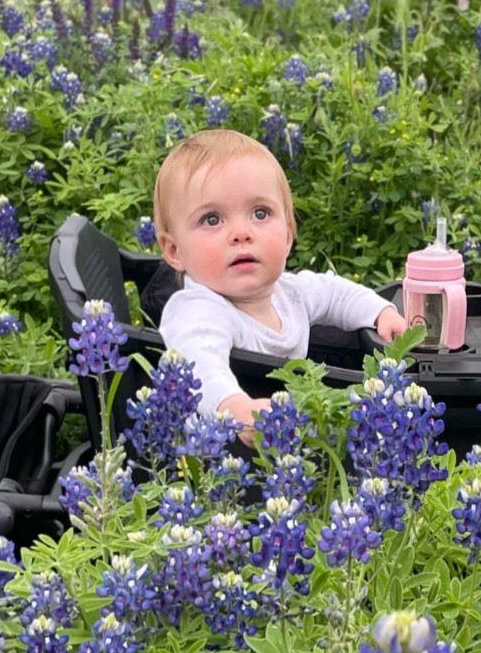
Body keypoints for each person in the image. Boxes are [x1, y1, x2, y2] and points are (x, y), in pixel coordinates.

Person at [153, 128, 411, 441]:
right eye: (212, 219)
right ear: (174, 251)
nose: (241, 233)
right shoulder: (198, 310)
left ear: (288, 235)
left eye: (260, 213)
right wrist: (234, 408)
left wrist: (380, 313)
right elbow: (198, 362)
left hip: (288, 437)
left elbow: (334, 294)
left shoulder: (288, 293)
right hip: (222, 456)